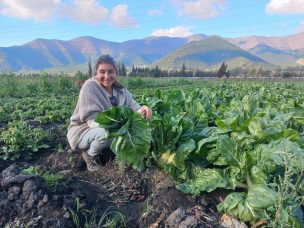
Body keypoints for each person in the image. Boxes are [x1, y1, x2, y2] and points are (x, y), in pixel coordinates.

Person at [67, 55, 152, 171]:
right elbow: (92, 122)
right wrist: (120, 125)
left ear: (115, 73)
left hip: (108, 128)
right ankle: (89, 155)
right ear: (96, 73)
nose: (107, 76)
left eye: (110, 72)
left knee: (121, 132)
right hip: (83, 131)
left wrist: (143, 109)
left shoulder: (120, 90)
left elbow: (134, 106)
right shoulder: (90, 87)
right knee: (108, 133)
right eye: (102, 72)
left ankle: (109, 152)